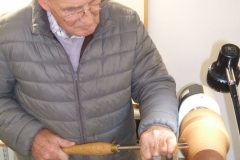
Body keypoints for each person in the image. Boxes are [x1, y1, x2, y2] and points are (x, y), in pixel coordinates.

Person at [0, 0, 179, 159]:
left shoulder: (127, 23)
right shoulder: (7, 33)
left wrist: (159, 123)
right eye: (73, 10)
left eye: (94, 3)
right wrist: (32, 137)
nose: (89, 19)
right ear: (45, 3)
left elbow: (155, 83)